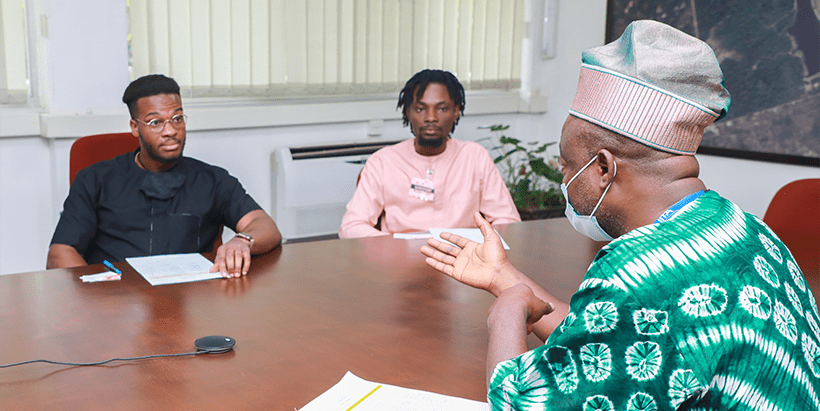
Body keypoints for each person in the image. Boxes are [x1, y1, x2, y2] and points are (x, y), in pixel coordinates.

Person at [422, 20, 819, 410]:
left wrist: (506, 314)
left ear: (602, 168)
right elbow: (609, 341)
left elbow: (520, 403)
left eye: (565, 165)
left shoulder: (644, 271)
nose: (562, 177)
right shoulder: (740, 226)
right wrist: (502, 277)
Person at [48, 74, 282, 277]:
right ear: (134, 127)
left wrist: (244, 241)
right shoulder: (95, 180)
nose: (170, 131)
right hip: (118, 307)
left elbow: (264, 226)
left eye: (177, 119)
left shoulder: (213, 180)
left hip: (190, 304)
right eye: (155, 122)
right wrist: (98, 301)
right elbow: (60, 252)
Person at [338, 69, 521, 239]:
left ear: (456, 111)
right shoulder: (383, 161)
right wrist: (393, 248)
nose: (431, 118)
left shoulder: (475, 156)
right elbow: (351, 226)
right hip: (400, 264)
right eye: (420, 109)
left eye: (442, 109)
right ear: (408, 112)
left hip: (463, 259)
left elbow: (508, 220)